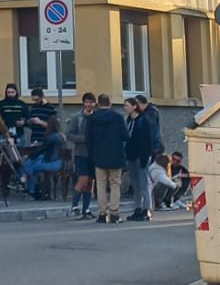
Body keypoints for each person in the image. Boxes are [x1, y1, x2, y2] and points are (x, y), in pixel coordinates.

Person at [86, 94, 129, 224]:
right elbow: (125, 136)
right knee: (115, 184)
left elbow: (88, 138)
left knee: (100, 184)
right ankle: (114, 213)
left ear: (98, 104)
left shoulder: (92, 118)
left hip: (99, 155)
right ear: (110, 104)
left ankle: (102, 213)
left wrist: (92, 153)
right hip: (115, 155)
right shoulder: (117, 117)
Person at [66, 93, 97, 219]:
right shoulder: (76, 117)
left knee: (90, 182)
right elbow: (69, 134)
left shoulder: (97, 117)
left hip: (94, 154)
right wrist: (84, 139)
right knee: (82, 179)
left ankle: (87, 208)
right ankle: (74, 205)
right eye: (87, 102)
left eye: (91, 102)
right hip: (81, 153)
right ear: (84, 103)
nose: (89, 104)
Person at [125, 97, 156, 221]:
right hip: (131, 155)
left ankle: (146, 209)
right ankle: (137, 208)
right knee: (135, 183)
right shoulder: (128, 120)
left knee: (144, 183)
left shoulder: (143, 120)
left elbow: (147, 140)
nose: (125, 108)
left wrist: (145, 156)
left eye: (127, 106)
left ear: (134, 107)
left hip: (141, 155)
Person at [22, 118, 66, 198]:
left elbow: (41, 149)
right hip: (59, 161)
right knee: (32, 161)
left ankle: (30, 188)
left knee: (32, 165)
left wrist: (29, 156)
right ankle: (30, 187)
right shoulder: (60, 136)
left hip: (53, 163)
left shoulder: (51, 137)